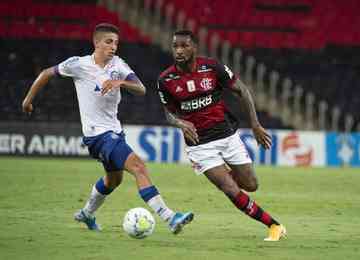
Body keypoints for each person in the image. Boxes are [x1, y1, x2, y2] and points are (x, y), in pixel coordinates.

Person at [22, 23, 193, 234]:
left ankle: (86, 213)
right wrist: (28, 100)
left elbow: (140, 89)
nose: (113, 47)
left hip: (114, 132)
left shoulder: (118, 65)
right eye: (108, 42)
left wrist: (119, 82)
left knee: (114, 179)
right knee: (138, 166)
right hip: (97, 135)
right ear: (96, 42)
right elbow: (47, 73)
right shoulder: (78, 64)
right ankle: (170, 217)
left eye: (116, 43)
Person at [157, 30, 286, 241]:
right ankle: (274, 225)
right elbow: (168, 113)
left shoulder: (212, 67)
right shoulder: (165, 79)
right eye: (175, 46)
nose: (179, 51)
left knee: (251, 185)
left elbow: (242, 90)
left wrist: (255, 124)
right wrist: (180, 123)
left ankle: (226, 174)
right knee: (229, 188)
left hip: (227, 135)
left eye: (184, 46)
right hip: (199, 145)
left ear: (194, 47)